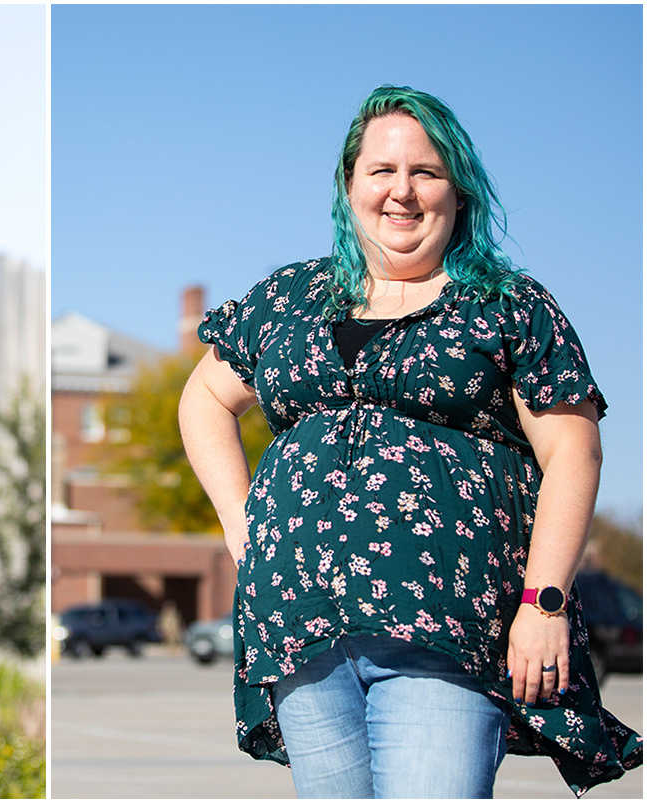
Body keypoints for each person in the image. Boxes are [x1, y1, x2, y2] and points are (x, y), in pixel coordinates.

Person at [178, 85, 641, 798]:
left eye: (425, 171)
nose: (402, 191)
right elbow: (204, 397)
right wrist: (245, 526)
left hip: (444, 630)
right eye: (381, 171)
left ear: (458, 191)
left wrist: (542, 604)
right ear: (350, 186)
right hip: (301, 626)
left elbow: (573, 453)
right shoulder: (292, 298)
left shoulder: (507, 306)